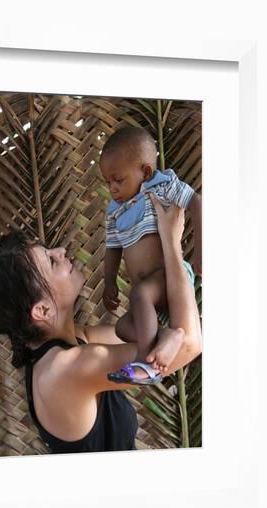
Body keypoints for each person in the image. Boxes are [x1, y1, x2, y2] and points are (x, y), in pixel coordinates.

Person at [0, 196, 202, 454]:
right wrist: (171, 243)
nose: (61, 251)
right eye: (52, 261)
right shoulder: (67, 368)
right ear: (42, 310)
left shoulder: (71, 342)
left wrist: (165, 329)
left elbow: (141, 335)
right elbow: (190, 344)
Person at [100, 127, 202, 381]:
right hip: (151, 301)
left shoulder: (162, 185)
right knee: (123, 327)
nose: (112, 188)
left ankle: (145, 364)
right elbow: (112, 248)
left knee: (140, 293)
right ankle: (168, 335)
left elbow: (196, 202)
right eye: (108, 182)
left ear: (144, 172)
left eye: (119, 180)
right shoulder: (114, 211)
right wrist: (109, 280)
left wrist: (201, 249)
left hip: (170, 277)